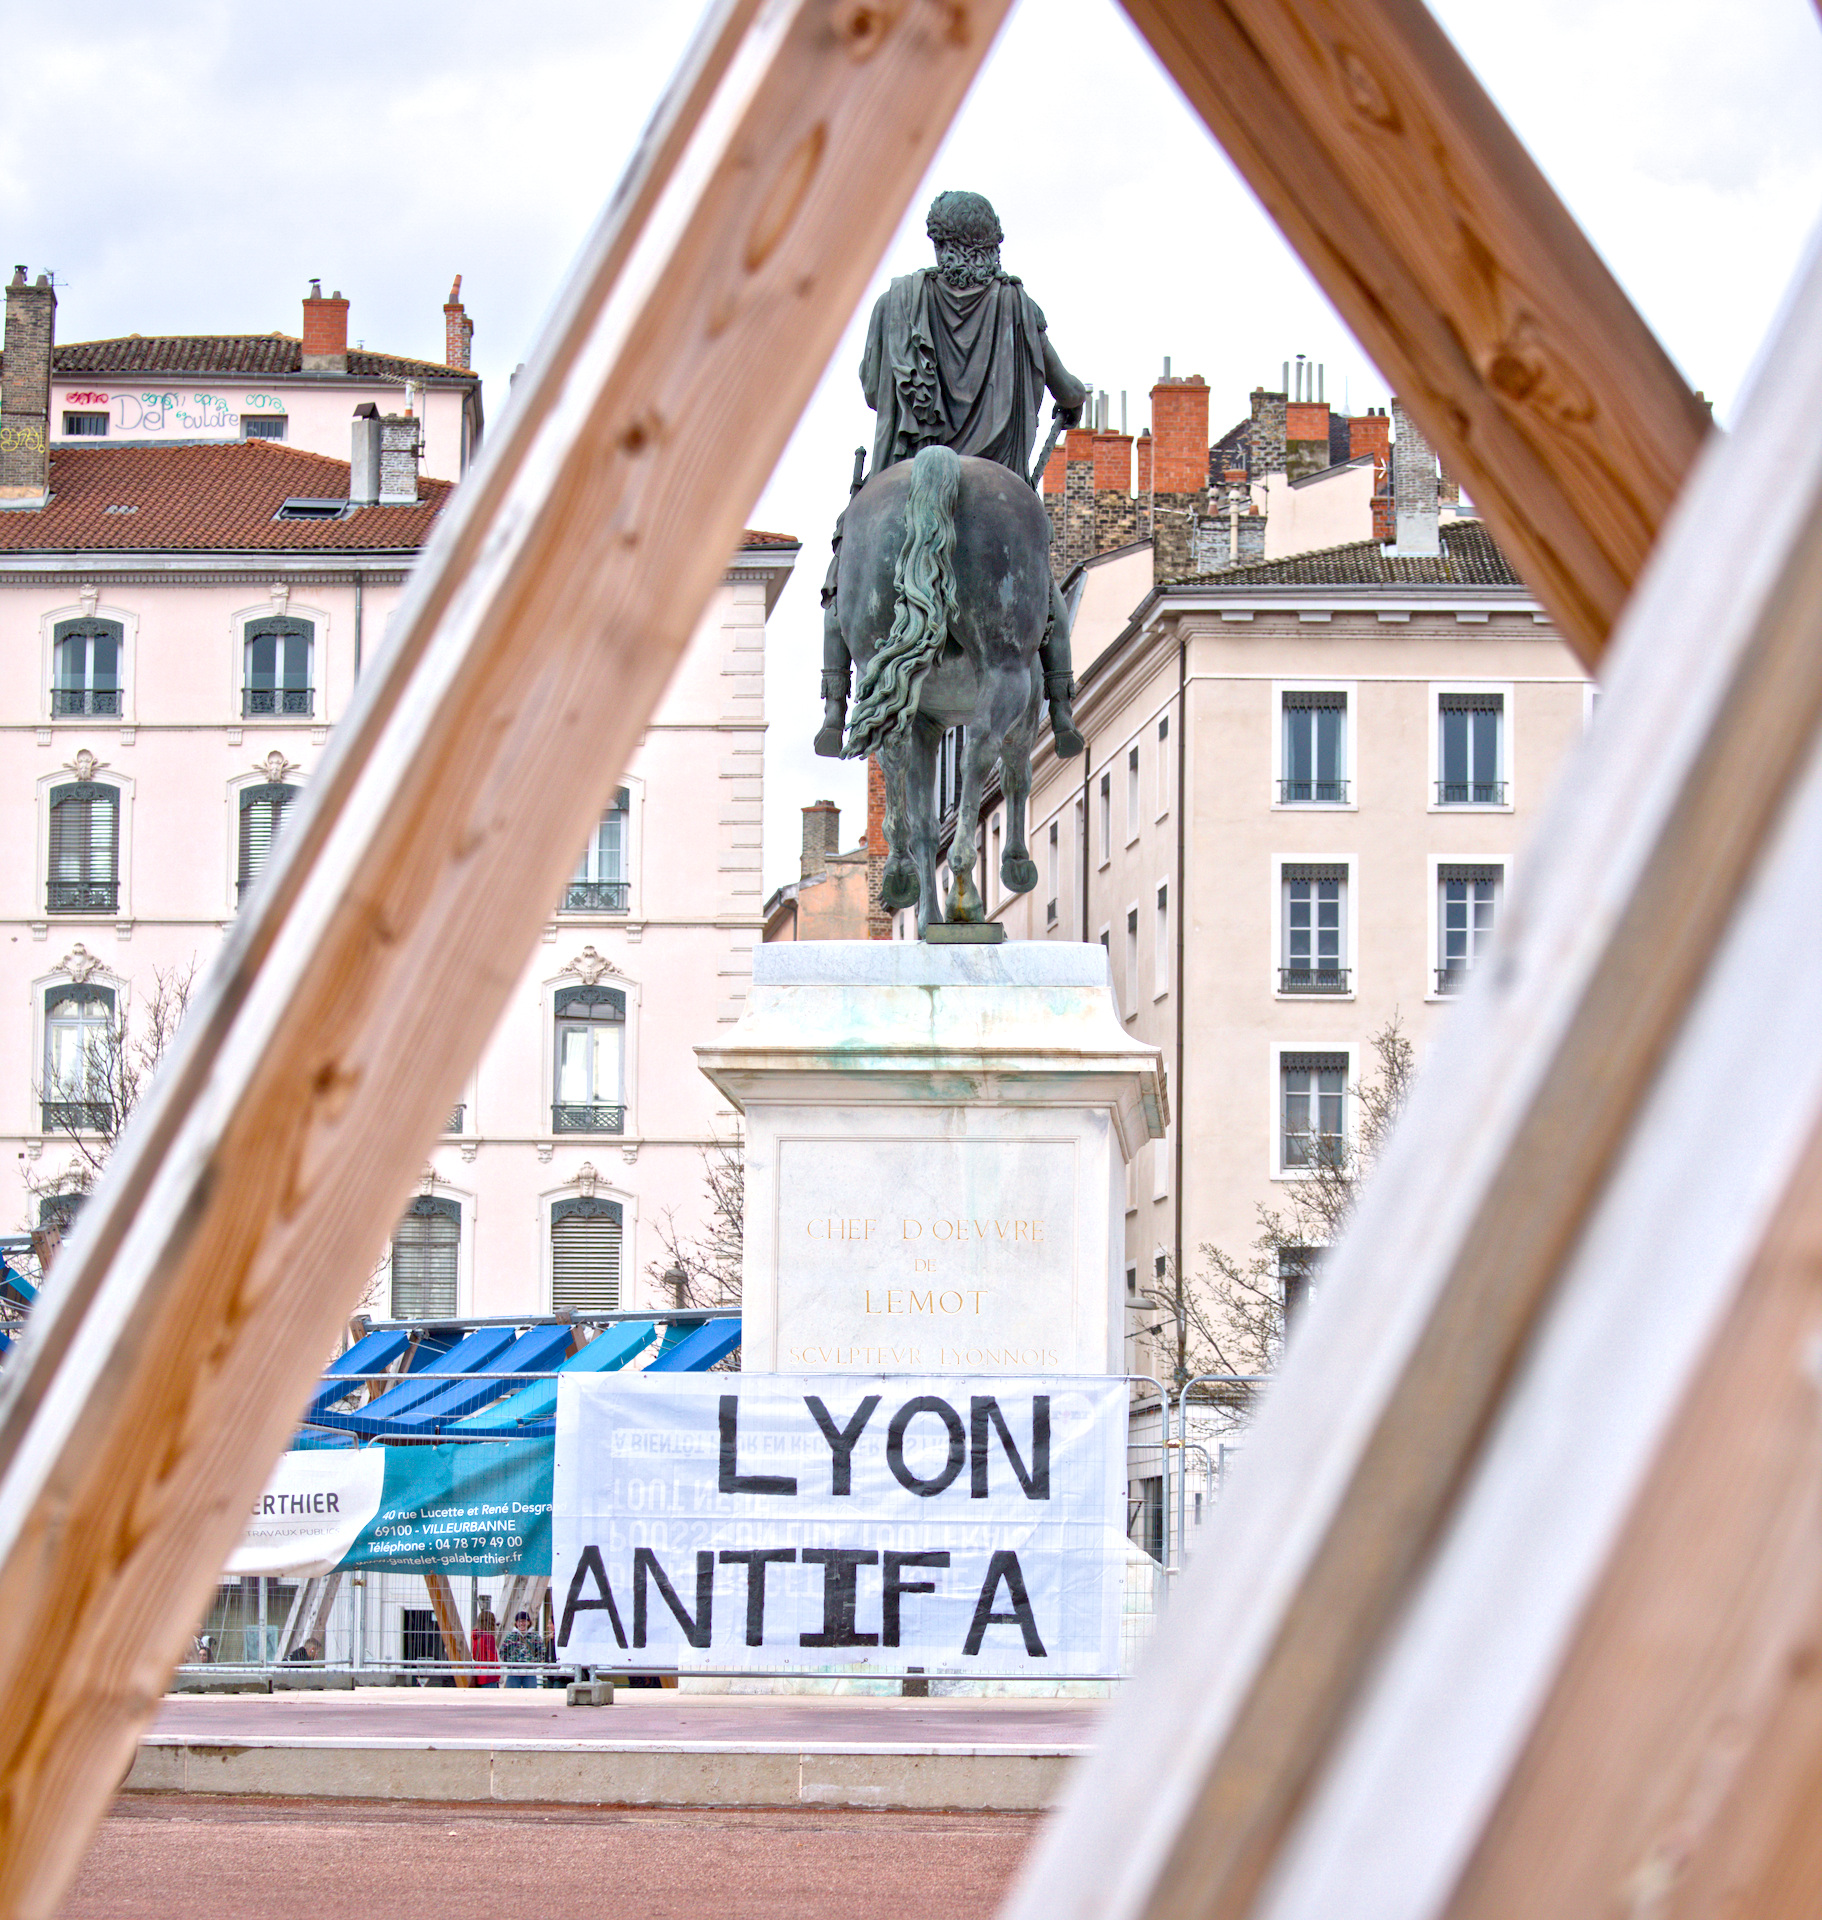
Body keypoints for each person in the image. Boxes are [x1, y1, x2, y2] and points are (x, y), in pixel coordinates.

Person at [816, 189, 1088, 761]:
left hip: (905, 467)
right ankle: (1062, 704)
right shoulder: (1018, 306)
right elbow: (1066, 386)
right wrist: (1072, 402)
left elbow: (872, 389)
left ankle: (835, 707)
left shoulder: (896, 303)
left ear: (939, 243)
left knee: (841, 572)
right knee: (1042, 591)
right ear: (990, 244)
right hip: (1000, 475)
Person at [500, 1608, 541, 1687]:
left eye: (524, 1621)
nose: (522, 1623)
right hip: (513, 1671)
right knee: (512, 1693)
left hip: (530, 1672)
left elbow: (541, 1652)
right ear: (516, 1623)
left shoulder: (535, 1637)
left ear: (529, 1622)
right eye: (519, 1621)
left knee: (530, 1693)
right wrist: (511, 1662)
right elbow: (502, 1652)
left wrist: (533, 1663)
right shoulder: (510, 1637)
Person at [472, 1601, 500, 1687]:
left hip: (479, 1674)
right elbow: (491, 1659)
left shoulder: (476, 1636)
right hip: (489, 1676)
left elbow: (474, 1656)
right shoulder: (489, 1637)